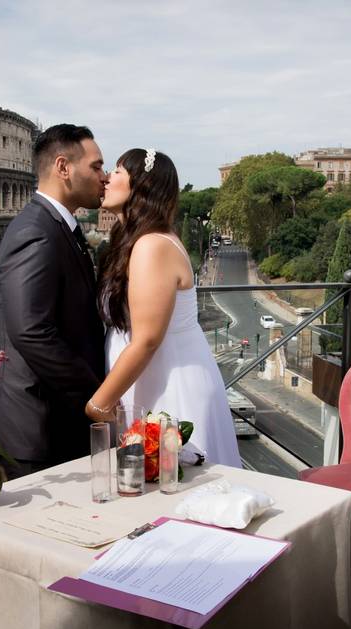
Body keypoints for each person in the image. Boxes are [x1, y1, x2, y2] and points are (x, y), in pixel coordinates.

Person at [84, 148, 241, 467]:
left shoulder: (152, 244)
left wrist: (99, 404)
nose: (107, 178)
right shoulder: (134, 240)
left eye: (117, 171)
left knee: (177, 492)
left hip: (171, 389)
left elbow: (147, 339)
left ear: (141, 187)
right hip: (150, 383)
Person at [0, 124, 108, 477]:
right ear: (63, 168)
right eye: (96, 167)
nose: (105, 176)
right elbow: (31, 331)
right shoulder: (36, 231)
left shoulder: (57, 227)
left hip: (50, 423)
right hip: (32, 431)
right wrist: (98, 396)